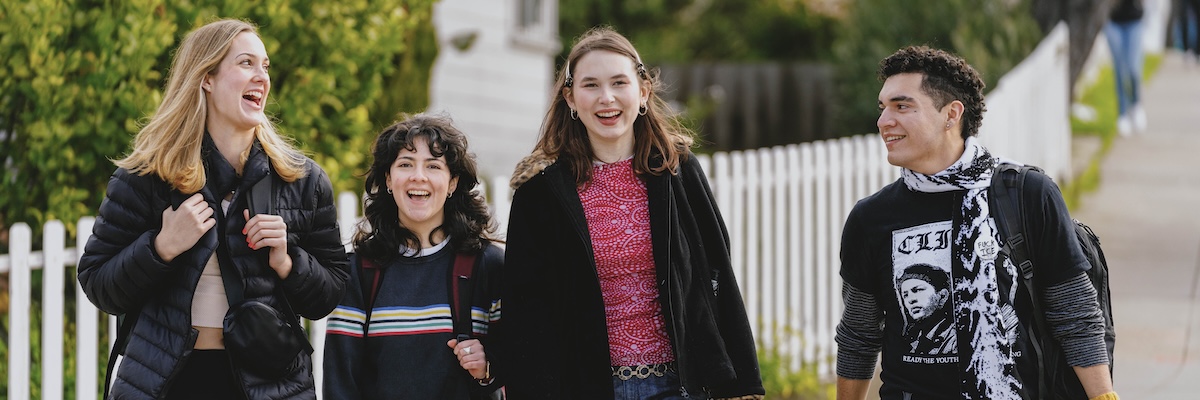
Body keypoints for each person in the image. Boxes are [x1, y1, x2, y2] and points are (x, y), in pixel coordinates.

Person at [77, 18, 349, 399]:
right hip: (166, 383)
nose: (262, 77)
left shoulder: (302, 181)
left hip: (269, 384)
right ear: (206, 77)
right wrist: (161, 247)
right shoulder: (147, 177)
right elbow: (98, 283)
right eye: (246, 63)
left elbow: (331, 292)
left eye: (265, 66)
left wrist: (288, 261)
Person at [834, 46, 1117, 400]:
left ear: (951, 114)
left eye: (902, 106)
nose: (883, 121)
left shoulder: (1027, 194)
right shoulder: (871, 218)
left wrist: (1103, 395)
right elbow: (859, 334)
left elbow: (1074, 313)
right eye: (883, 107)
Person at [499, 26, 765, 400]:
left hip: (679, 386)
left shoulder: (678, 172)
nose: (606, 98)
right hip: (584, 388)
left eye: (618, 83)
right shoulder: (540, 194)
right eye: (590, 85)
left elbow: (716, 273)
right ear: (570, 98)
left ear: (642, 92)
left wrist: (741, 383)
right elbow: (527, 310)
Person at [323, 114, 504, 400]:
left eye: (433, 166)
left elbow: (524, 365)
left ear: (453, 182)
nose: (418, 176)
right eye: (405, 164)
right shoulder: (359, 270)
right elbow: (341, 382)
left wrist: (489, 368)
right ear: (389, 179)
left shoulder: (488, 266)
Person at [895, 264, 956, 355]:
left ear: (942, 296)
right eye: (905, 295)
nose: (911, 300)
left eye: (918, 290)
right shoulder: (912, 339)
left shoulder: (955, 338)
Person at [1106, 0, 1147, 136]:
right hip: (1113, 21)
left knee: (1133, 68)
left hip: (1134, 21)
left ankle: (1136, 103)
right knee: (1120, 69)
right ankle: (1122, 114)